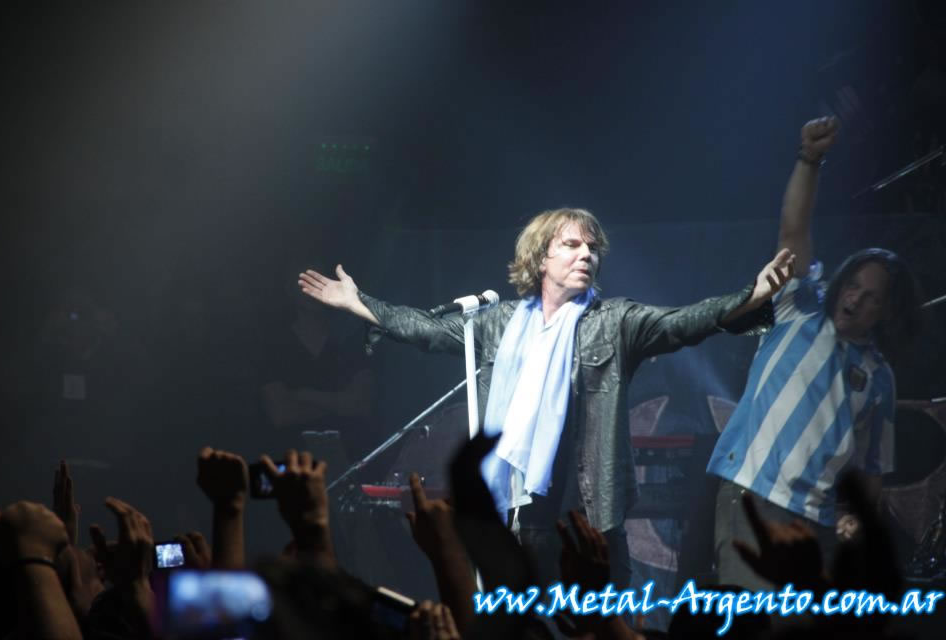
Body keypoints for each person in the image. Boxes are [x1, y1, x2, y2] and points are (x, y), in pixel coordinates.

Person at [299, 207, 794, 589]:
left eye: (592, 248)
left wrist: (750, 297)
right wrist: (358, 303)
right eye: (572, 245)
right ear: (540, 258)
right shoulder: (498, 324)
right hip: (517, 515)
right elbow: (426, 329)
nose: (586, 255)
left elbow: (683, 322)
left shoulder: (614, 321)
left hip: (589, 516)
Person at [707, 117, 923, 591]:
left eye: (872, 297)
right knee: (753, 619)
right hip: (753, 495)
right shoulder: (800, 309)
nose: (856, 299)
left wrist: (858, 520)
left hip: (816, 521)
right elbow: (793, 232)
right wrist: (810, 159)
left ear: (886, 312)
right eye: (854, 285)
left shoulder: (879, 376)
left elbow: (872, 467)